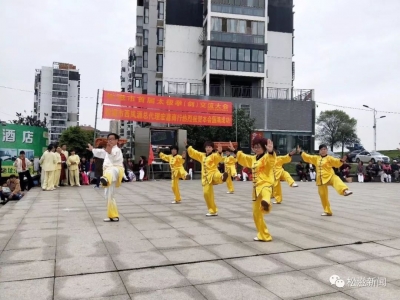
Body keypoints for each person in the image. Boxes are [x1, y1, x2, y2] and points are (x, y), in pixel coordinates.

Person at [228, 138, 276, 242]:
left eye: (259, 146)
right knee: (255, 214)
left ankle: (266, 203)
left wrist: (271, 151)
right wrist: (235, 151)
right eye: (255, 147)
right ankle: (264, 235)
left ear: (264, 147)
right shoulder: (253, 158)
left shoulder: (268, 157)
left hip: (266, 183)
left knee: (265, 193)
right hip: (256, 188)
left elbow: (272, 160)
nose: (257, 149)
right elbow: (244, 158)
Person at [298, 144, 352, 216]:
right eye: (322, 149)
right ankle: (327, 211)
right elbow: (308, 157)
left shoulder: (329, 158)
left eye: (325, 149)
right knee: (323, 195)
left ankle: (344, 191)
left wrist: (341, 160)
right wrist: (301, 152)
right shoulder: (316, 158)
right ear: (319, 151)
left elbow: (336, 162)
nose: (323, 151)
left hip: (329, 176)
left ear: (327, 150)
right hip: (320, 179)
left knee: (336, 179)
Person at [87, 133, 124, 222]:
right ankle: (113, 215)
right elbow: (100, 152)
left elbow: (112, 154)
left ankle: (106, 179)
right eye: (109, 139)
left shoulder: (117, 150)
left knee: (110, 171)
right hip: (110, 172)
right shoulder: (107, 151)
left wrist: (109, 150)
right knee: (108, 195)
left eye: (112, 139)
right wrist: (92, 149)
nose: (110, 140)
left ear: (116, 141)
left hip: (116, 170)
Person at [186, 140, 228, 216]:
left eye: (209, 147)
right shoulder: (202, 156)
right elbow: (194, 153)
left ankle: (222, 177)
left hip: (213, 173)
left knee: (217, 175)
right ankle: (212, 210)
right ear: (205, 148)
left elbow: (218, 158)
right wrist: (188, 146)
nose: (208, 148)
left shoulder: (214, 155)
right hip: (205, 178)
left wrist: (219, 152)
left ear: (212, 148)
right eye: (207, 147)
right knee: (206, 194)